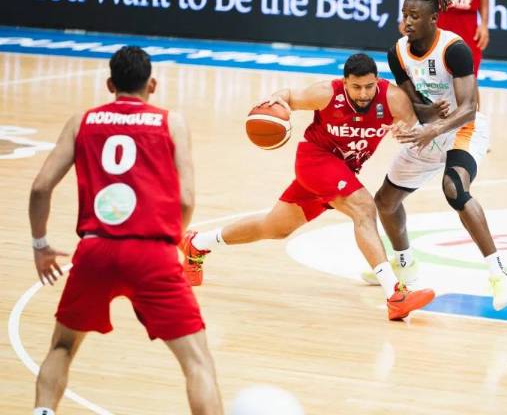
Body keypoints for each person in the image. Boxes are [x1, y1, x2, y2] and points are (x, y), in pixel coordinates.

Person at [29, 46, 223, 415]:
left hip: (95, 250)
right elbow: (186, 199)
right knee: (197, 362)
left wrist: (41, 244)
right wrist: (170, 244)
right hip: (152, 254)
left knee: (62, 348)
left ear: (109, 84)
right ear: (152, 84)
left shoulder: (81, 121)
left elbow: (40, 188)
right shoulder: (171, 122)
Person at [179, 53, 436, 322]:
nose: (363, 94)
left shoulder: (393, 99)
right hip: (316, 160)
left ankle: (197, 244)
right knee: (363, 208)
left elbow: (412, 127)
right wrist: (276, 101)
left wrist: (406, 131)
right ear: (345, 82)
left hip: (342, 170)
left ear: (377, 81)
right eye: (356, 87)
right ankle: (395, 295)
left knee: (274, 227)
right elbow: (288, 96)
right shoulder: (326, 93)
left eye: (369, 87)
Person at [362, 0, 507, 311]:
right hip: (428, 131)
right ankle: (405, 266)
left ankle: (498, 274)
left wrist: (434, 125)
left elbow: (470, 107)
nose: (407, 21)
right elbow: (416, 106)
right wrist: (417, 119)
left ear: (433, 18)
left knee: (454, 189)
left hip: (465, 130)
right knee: (385, 202)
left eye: (415, 16)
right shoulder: (397, 52)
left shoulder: (454, 49)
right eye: (404, 15)